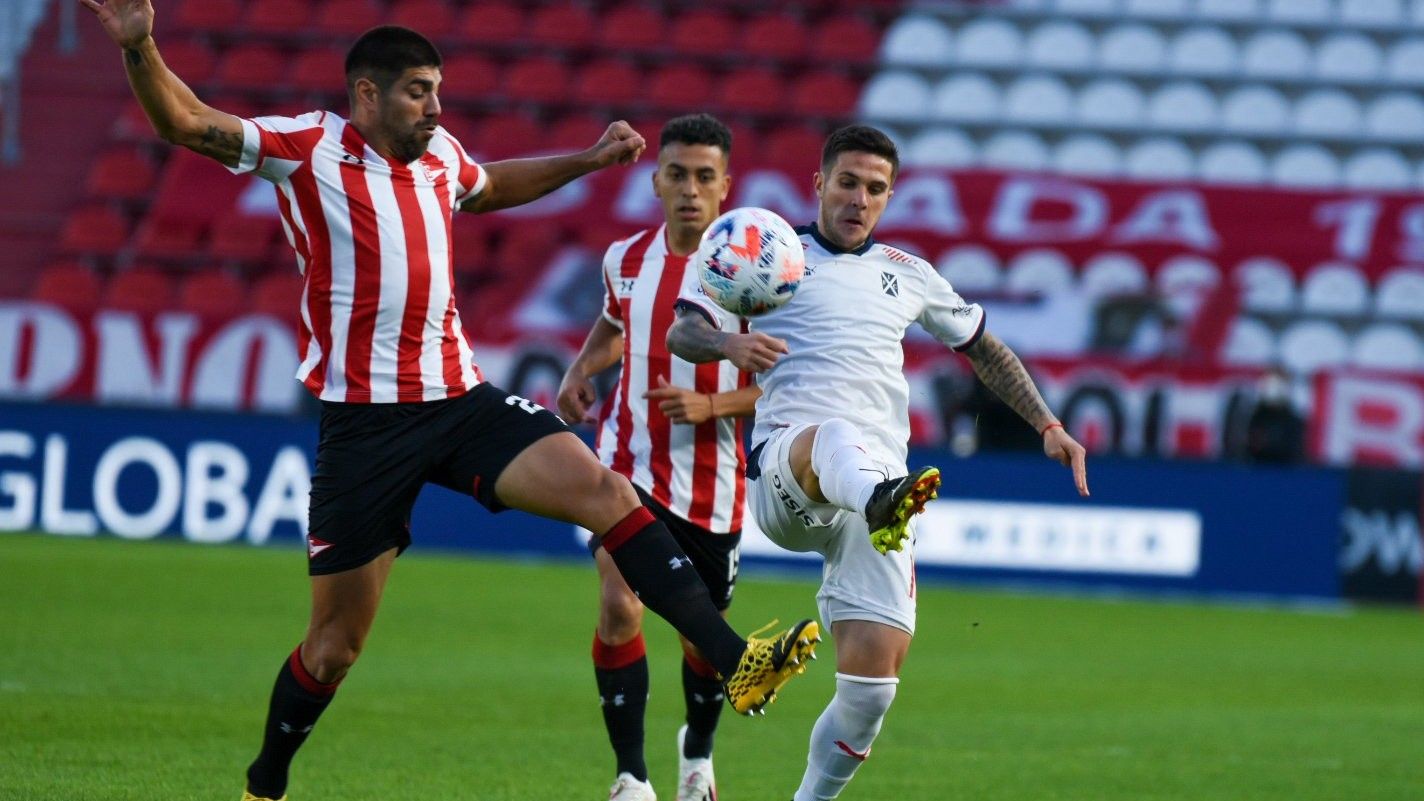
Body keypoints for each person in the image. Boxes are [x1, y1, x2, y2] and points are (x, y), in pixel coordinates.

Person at [79, 4, 819, 800]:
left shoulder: (439, 159)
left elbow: (491, 185)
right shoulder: (305, 148)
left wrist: (592, 157)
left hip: (461, 401)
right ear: (366, 94)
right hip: (365, 427)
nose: (436, 110)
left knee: (607, 492)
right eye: (420, 94)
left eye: (438, 93)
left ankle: (736, 659)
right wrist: (140, 46)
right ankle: (266, 782)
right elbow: (186, 123)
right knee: (332, 647)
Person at [668, 125, 1090, 801]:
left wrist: (1049, 422)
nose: (858, 199)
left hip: (880, 487)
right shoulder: (768, 250)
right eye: (847, 183)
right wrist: (727, 343)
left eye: (874, 188)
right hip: (793, 473)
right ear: (819, 184)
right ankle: (879, 497)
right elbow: (681, 329)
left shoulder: (909, 272)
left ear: (889, 197)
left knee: (871, 692)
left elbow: (984, 347)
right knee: (837, 433)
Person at [558, 114, 770, 801]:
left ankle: (698, 754)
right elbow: (617, 320)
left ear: (726, 187)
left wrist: (713, 407)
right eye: (676, 173)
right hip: (625, 464)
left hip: (712, 482)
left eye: (704, 176)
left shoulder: (755, 276)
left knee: (699, 639)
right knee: (619, 604)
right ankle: (631, 776)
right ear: (655, 179)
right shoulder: (625, 257)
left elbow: (787, 386)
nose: (689, 189)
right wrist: (582, 367)